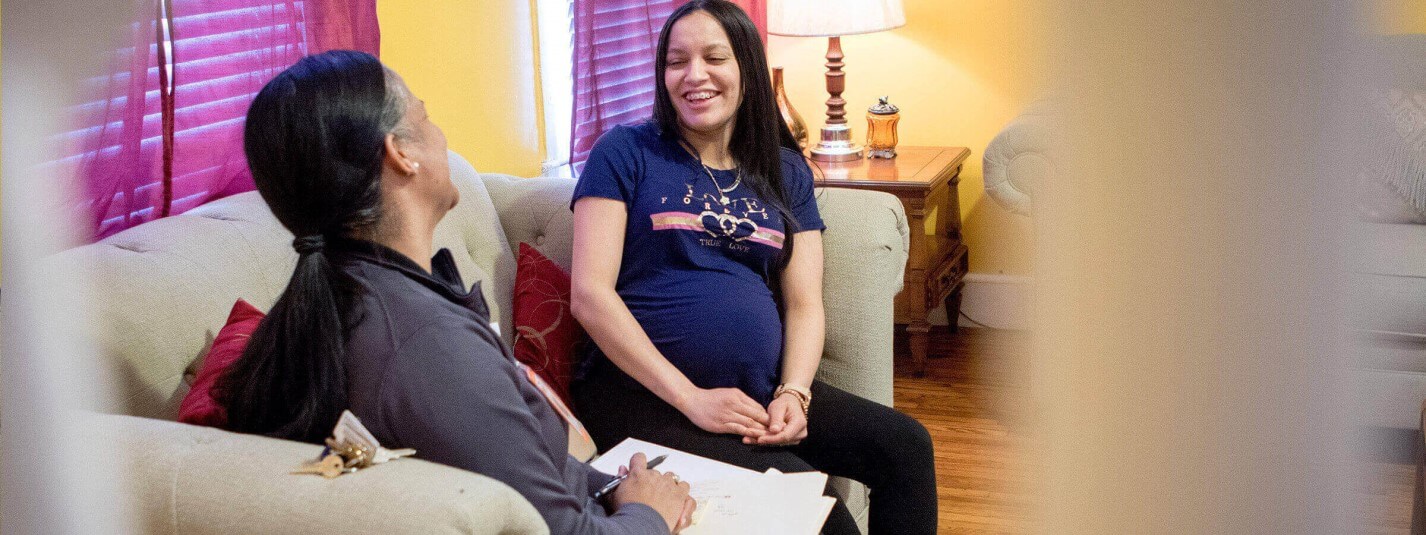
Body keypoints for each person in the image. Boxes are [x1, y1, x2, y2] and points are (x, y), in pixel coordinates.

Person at [216, 50, 693, 534]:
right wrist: (649, 513)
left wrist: (614, 490)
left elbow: (519, 466)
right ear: (400, 153)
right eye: (425, 116)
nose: (442, 136)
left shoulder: (353, 299)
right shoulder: (426, 345)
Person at [568, 2, 938, 534]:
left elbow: (804, 302)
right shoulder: (626, 152)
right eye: (676, 61)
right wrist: (691, 399)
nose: (694, 75)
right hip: (642, 395)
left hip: (758, 391)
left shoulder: (785, 171)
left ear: (746, 66)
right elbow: (590, 294)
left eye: (713, 57)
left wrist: (794, 392)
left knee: (905, 447)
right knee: (824, 514)